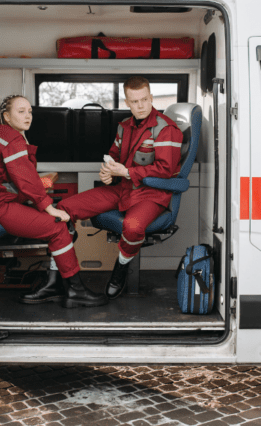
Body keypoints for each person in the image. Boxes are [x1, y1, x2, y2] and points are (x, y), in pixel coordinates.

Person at [58, 77, 183, 299]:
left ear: (151, 98)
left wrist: (125, 172)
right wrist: (107, 172)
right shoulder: (124, 127)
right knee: (63, 208)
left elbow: (165, 169)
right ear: (127, 102)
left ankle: (121, 268)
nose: (141, 105)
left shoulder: (166, 129)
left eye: (145, 99)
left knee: (133, 227)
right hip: (122, 189)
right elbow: (113, 156)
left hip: (151, 194)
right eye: (135, 102)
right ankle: (58, 276)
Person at [0, 95, 107, 308]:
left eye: (30, 111)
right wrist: (49, 208)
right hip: (1, 207)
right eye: (21, 111)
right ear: (6, 116)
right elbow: (25, 179)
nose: (28, 116)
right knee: (59, 228)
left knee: (65, 226)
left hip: (0, 202)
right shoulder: (12, 139)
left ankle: (54, 284)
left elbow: (13, 177)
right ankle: (75, 290)